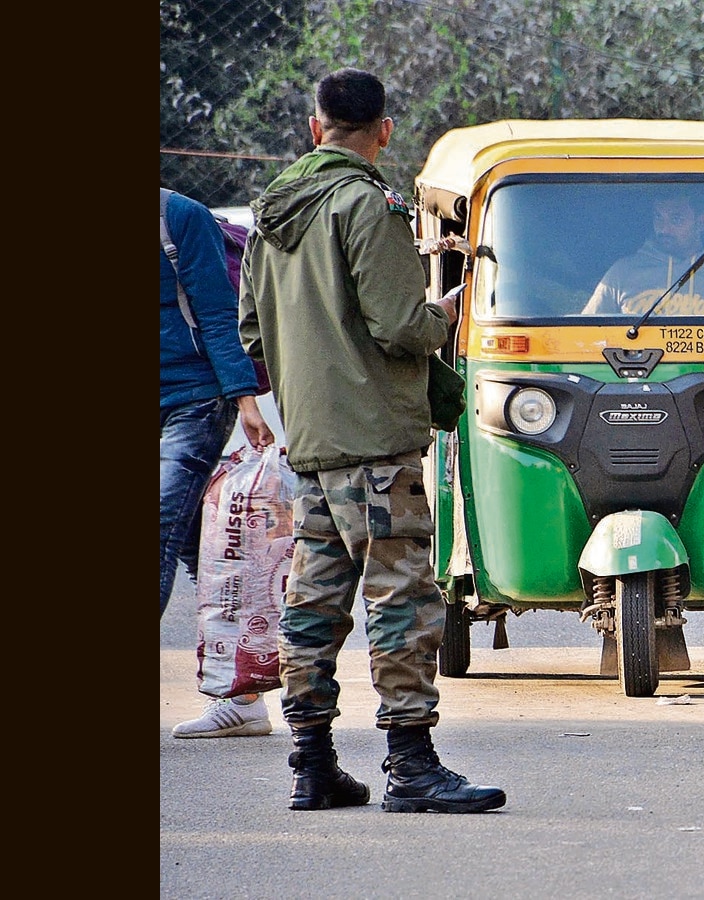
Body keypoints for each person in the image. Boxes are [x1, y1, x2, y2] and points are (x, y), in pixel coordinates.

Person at [238, 67, 505, 814]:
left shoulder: (270, 214)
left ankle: (312, 764)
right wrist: (443, 313)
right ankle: (411, 766)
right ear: (383, 131)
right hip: (377, 444)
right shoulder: (367, 204)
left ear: (312, 126)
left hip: (313, 442)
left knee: (314, 604)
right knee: (402, 599)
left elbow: (252, 332)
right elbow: (400, 327)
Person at [161, 187, 278, 738]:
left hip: (194, 400)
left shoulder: (180, 217)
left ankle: (241, 694)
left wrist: (245, 399)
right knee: (192, 542)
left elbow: (216, 313)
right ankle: (243, 695)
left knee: (161, 527)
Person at [581, 190, 704, 316]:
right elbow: (585, 334)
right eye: (658, 217)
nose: (663, 229)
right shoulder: (622, 273)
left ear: (700, 222)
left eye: (676, 219)